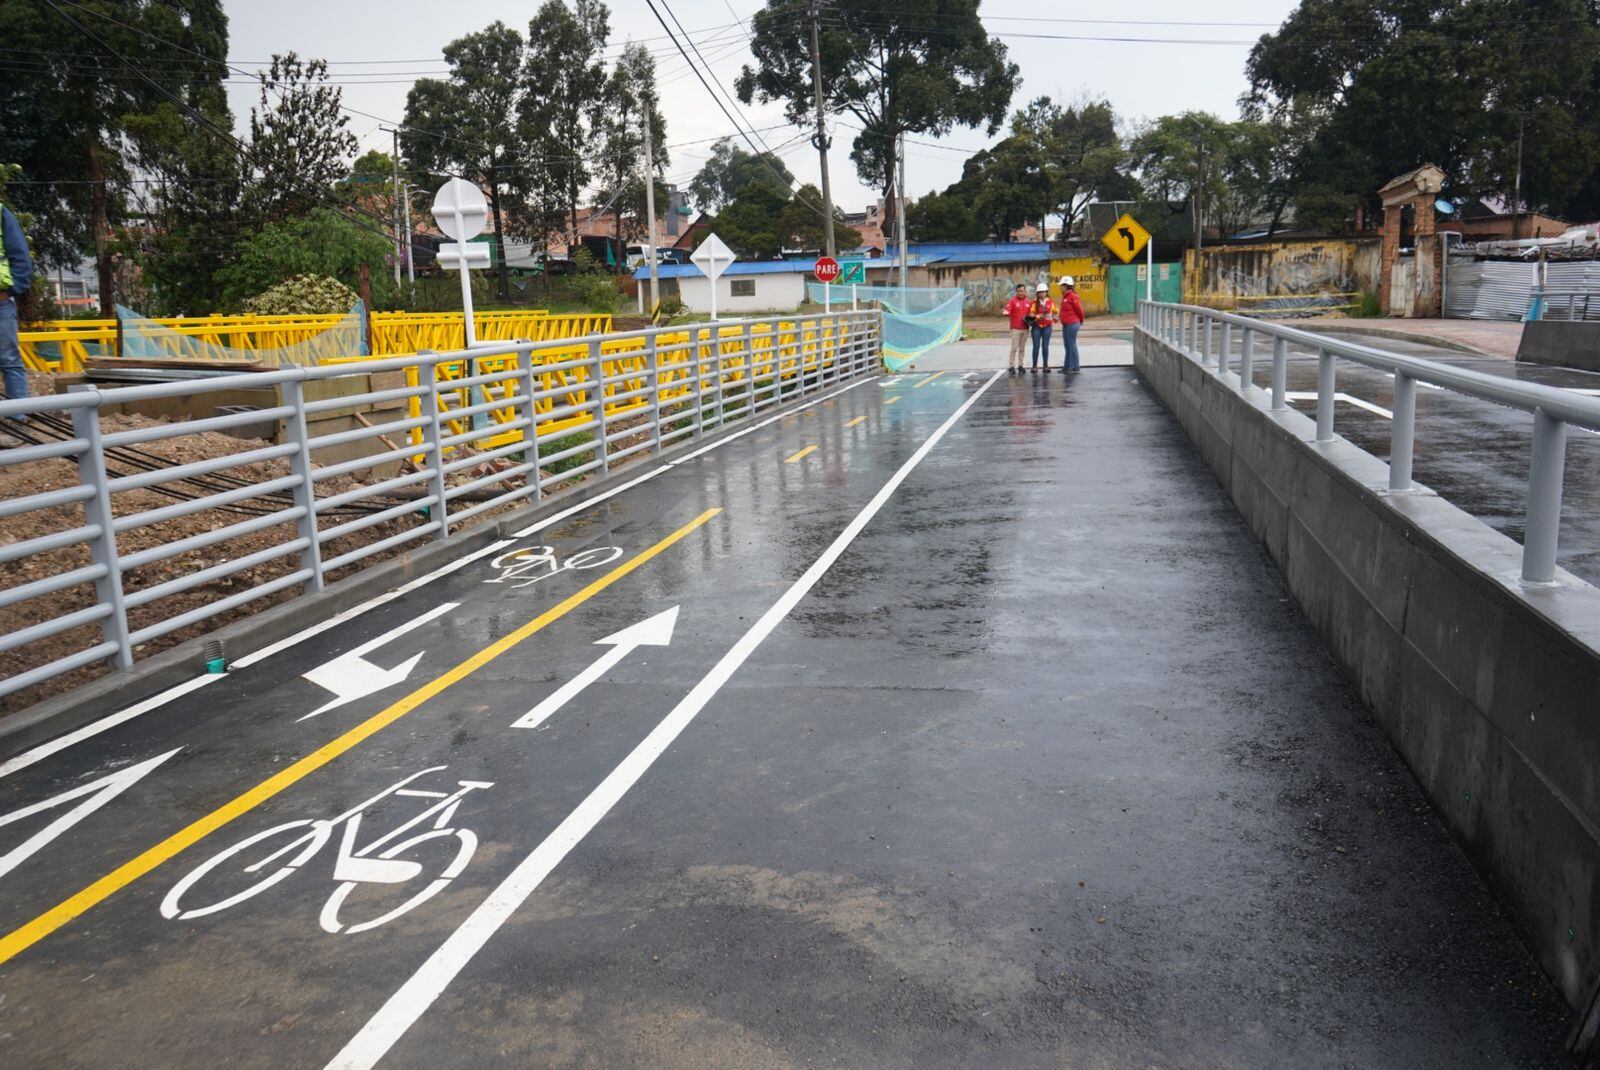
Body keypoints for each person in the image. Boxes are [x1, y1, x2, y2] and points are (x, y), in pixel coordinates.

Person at [0, 203, 34, 402]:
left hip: (1, 302)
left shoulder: (2, 213)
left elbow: (20, 255)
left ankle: (18, 418)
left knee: (9, 360)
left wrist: (13, 289)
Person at [1058, 274, 1085, 373]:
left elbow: (1080, 310)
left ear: (1065, 286)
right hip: (1066, 324)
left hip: (1072, 324)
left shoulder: (1072, 296)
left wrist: (1081, 320)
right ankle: (1067, 366)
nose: (1060, 288)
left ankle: (1075, 367)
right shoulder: (1066, 296)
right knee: (1067, 345)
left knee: (1071, 344)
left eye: (1061, 286)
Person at [1003, 283, 1031, 374]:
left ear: (1024, 291)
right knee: (1014, 348)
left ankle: (1020, 365)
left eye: (1022, 291)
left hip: (1025, 328)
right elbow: (1007, 309)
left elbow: (1032, 314)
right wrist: (1006, 311)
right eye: (1018, 291)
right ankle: (1011, 366)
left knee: (1022, 349)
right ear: (1016, 291)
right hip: (1015, 329)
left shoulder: (1028, 302)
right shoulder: (1012, 301)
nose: (1020, 293)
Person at [1028, 282, 1055, 371]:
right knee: (1036, 346)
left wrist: (1055, 317)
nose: (1042, 294)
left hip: (1047, 326)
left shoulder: (1051, 302)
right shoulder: (1034, 303)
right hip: (1036, 327)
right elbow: (1031, 313)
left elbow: (1055, 312)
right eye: (1040, 292)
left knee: (1045, 346)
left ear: (1046, 292)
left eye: (1043, 292)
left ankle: (1045, 365)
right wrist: (1036, 315)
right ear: (1037, 293)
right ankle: (1034, 366)